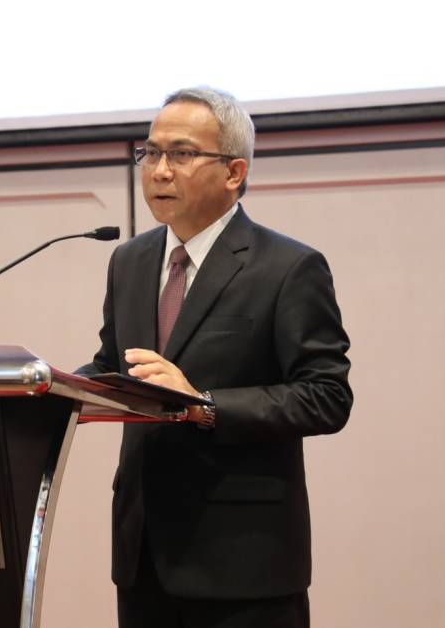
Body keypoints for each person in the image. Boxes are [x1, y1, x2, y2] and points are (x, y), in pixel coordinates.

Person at [78, 87, 353, 628]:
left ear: (234, 172)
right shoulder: (129, 261)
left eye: (181, 154)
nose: (159, 171)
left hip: (244, 561)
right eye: (150, 153)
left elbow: (326, 396)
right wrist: (49, 387)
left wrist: (204, 406)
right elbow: (113, 363)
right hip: (144, 553)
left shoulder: (288, 267)